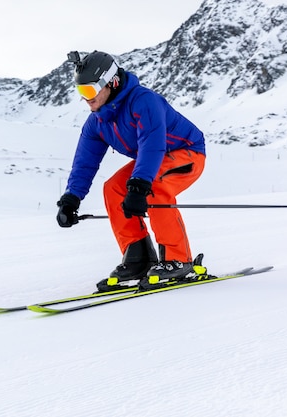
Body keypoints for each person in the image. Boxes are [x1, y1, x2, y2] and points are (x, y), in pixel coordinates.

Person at [56, 50, 207, 292]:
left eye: (90, 91)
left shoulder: (144, 101)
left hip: (187, 153)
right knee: (113, 188)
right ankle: (138, 258)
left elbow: (152, 144)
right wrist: (71, 199)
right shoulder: (97, 121)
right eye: (81, 92)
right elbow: (85, 162)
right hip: (153, 160)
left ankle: (178, 260)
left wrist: (139, 184)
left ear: (112, 82)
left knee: (154, 186)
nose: (87, 99)